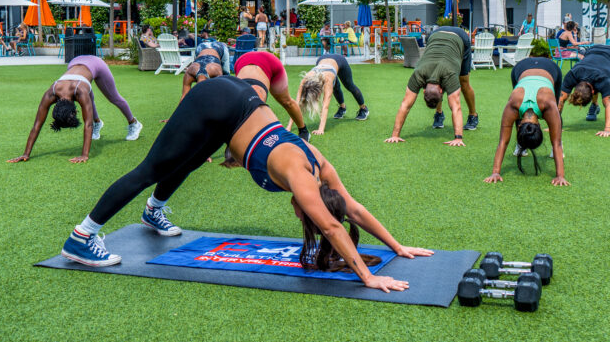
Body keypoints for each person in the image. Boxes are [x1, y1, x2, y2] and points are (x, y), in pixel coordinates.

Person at [58, 75, 433, 290]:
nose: (300, 215)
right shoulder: (304, 180)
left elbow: (353, 210)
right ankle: (82, 235)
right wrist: (367, 278)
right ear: (309, 205)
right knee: (150, 169)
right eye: (305, 215)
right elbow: (333, 225)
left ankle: (153, 212)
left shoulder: (324, 170)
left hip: (238, 108)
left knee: (188, 162)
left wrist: (397, 247)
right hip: (219, 101)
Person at [8, 55, 143, 164]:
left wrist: (84, 155)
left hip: (96, 64)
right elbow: (36, 125)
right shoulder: (50, 93)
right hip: (75, 62)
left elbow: (87, 124)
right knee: (88, 101)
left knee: (114, 98)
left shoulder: (80, 91)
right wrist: (26, 153)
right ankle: (99, 123)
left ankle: (134, 123)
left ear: (75, 110)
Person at [386, 26, 479, 146]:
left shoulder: (448, 75)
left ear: (424, 91)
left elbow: (456, 107)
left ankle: (473, 115)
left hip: (460, 37)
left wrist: (458, 138)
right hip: (435, 35)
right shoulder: (418, 74)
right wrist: (395, 135)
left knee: (464, 83)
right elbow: (405, 105)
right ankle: (439, 114)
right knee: (437, 91)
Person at [485, 57, 566, 186]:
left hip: (550, 69)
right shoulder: (514, 105)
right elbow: (503, 141)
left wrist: (560, 175)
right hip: (521, 68)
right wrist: (495, 172)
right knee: (555, 118)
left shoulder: (548, 105)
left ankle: (528, 143)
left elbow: (503, 141)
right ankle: (522, 144)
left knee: (557, 113)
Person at [558, 44, 610, 136]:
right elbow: (560, 100)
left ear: (593, 91)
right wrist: (556, 126)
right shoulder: (573, 75)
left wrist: (607, 130)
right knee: (591, 85)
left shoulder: (602, 80)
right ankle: (595, 105)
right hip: (592, 50)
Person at [234, 50, 310, 139]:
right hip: (242, 62)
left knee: (286, 102)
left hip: (270, 62)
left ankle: (303, 130)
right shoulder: (233, 101)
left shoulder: (257, 103)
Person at [292, 53, 369, 135]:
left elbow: (325, 107)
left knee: (349, 85)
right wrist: (288, 128)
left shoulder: (327, 81)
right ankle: (342, 108)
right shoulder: (305, 80)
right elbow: (295, 105)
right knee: (335, 87)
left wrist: (320, 129)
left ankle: (363, 109)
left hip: (339, 60)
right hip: (322, 59)